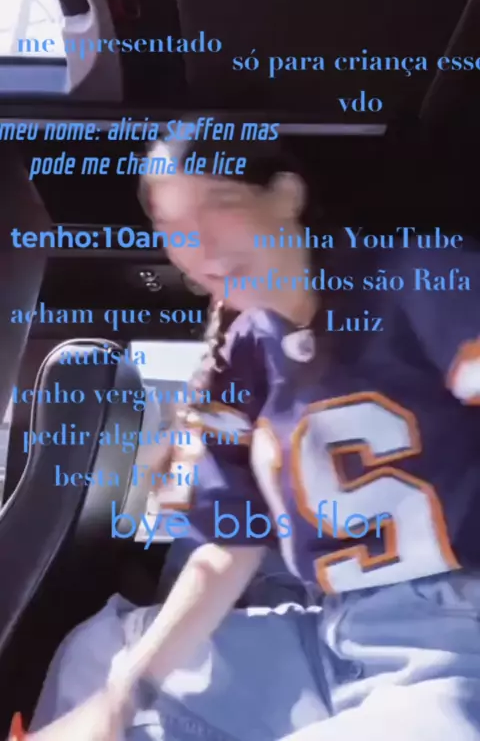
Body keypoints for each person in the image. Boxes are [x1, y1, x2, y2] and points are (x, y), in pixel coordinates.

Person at [23, 120, 480, 740]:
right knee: (100, 654)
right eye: (173, 228)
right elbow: (227, 550)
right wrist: (121, 697)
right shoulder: (239, 359)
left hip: (455, 635)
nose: (201, 243)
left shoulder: (414, 277)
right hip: (329, 637)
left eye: (220, 204)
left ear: (286, 195)